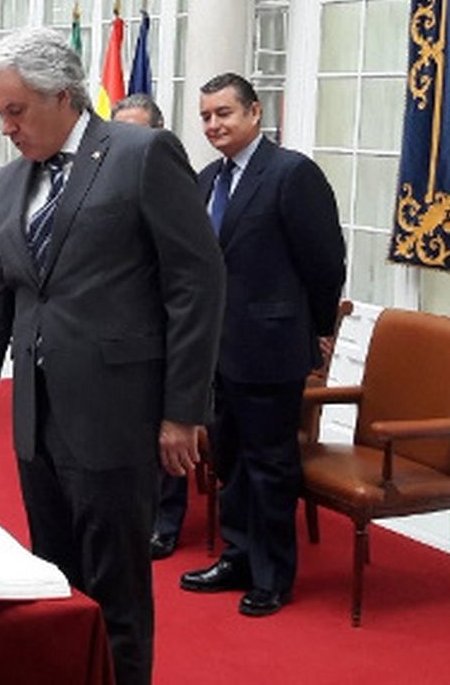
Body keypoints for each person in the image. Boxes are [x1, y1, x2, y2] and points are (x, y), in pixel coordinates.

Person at [0, 28, 225, 685]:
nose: (6, 126)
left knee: (116, 594)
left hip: (117, 418)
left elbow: (197, 283)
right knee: (50, 580)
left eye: (16, 110)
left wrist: (182, 410)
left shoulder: (141, 155)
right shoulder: (5, 184)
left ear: (63, 95)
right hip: (38, 420)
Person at [178, 72, 346, 618]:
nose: (213, 125)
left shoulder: (291, 174)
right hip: (217, 353)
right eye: (205, 116)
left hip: (271, 347)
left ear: (255, 114)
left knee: (270, 464)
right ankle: (238, 556)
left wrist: (318, 329)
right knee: (230, 461)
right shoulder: (205, 181)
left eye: (224, 113)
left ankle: (274, 574)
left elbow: (325, 261)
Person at [111, 94, 192, 558]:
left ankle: (166, 520)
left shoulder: (172, 178)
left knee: (169, 432)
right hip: (123, 331)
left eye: (140, 131)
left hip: (169, 332)